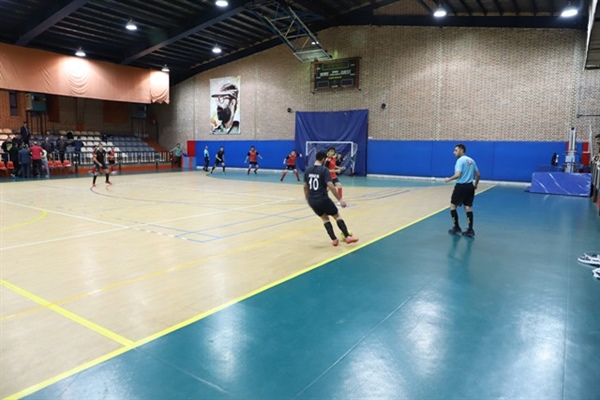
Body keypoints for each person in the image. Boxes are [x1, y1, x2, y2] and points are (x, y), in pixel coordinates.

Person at [304, 150, 358, 246]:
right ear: (323, 159)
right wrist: (340, 199)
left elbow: (305, 187)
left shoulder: (308, 169)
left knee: (325, 219)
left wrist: (307, 199)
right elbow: (331, 186)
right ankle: (347, 237)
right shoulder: (324, 170)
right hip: (323, 198)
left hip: (312, 200)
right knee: (337, 216)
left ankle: (334, 239)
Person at [444, 143, 480, 237]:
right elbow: (478, 175)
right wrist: (475, 185)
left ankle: (456, 227)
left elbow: (458, 175)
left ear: (461, 150)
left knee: (453, 206)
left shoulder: (460, 161)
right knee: (468, 207)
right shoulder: (471, 160)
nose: (454, 152)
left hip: (461, 187)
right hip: (470, 187)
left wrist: (448, 179)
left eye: (456, 150)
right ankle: (470, 230)